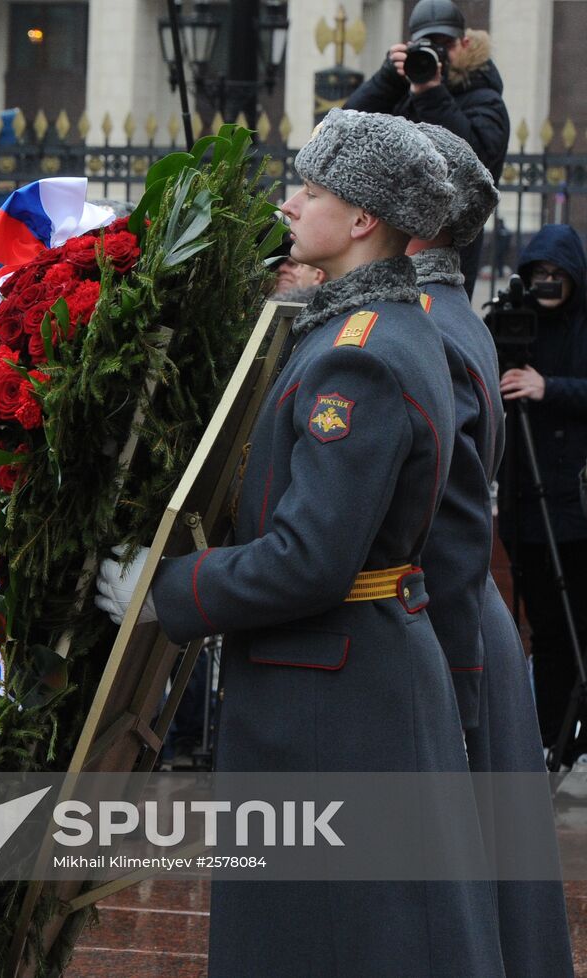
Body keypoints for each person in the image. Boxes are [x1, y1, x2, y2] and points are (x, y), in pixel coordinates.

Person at [96, 109, 502, 976]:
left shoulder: (358, 354)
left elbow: (309, 559)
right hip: (351, 675)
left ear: (362, 220)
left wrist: (167, 589)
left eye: (310, 191)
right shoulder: (375, 327)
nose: (289, 203)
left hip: (333, 691)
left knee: (331, 938)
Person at [408, 122, 573, 978]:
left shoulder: (422, 325)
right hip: (465, 621)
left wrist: (454, 681)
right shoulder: (440, 310)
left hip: (448, 620)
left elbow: (451, 521)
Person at [494, 224, 587, 757]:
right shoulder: (514, 326)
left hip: (575, 509)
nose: (549, 284)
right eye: (539, 275)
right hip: (528, 507)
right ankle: (553, 740)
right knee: (547, 632)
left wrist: (547, 387)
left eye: (558, 275)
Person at [344, 0, 509, 291]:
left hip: (448, 248)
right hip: (388, 238)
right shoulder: (402, 91)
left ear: (465, 43)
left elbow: (477, 164)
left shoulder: (485, 99)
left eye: (445, 43)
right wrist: (385, 80)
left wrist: (431, 93)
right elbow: (346, 132)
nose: (436, 53)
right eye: (426, 44)